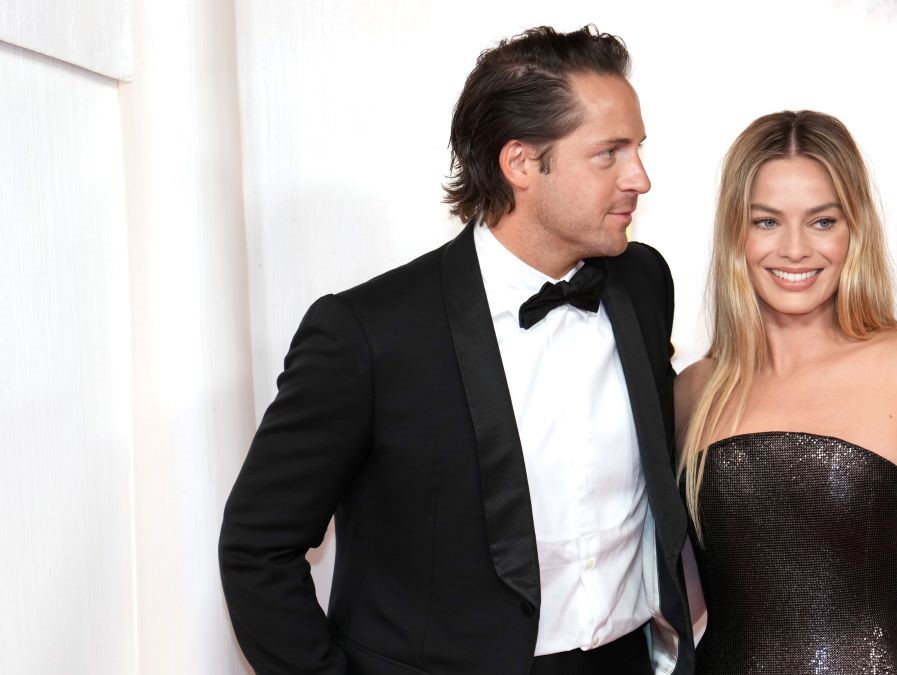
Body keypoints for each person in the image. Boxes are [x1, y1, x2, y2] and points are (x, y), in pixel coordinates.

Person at [218, 26, 695, 675]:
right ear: (521, 162)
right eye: (609, 153)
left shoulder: (643, 283)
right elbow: (257, 547)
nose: (640, 177)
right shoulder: (365, 333)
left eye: (637, 148)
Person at [674, 111, 897, 675]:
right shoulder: (694, 391)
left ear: (854, 229)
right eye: (767, 222)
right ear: (736, 233)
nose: (796, 249)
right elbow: (682, 598)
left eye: (822, 222)